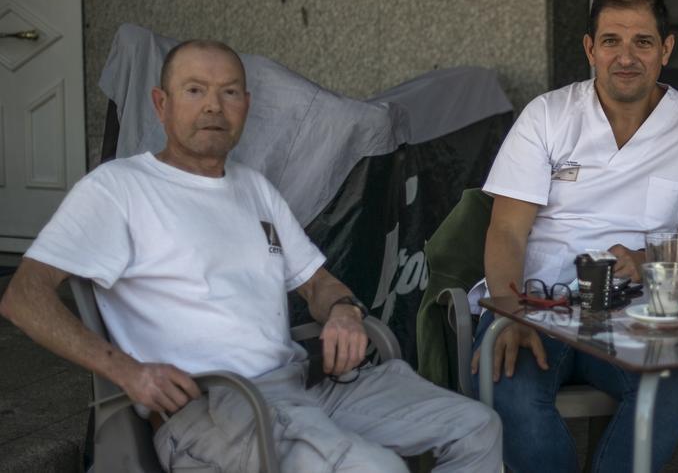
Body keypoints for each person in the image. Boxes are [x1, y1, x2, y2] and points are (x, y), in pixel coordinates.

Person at [0, 40, 501, 471]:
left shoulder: (253, 188)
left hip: (305, 387)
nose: (214, 107)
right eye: (195, 90)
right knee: (373, 468)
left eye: (229, 92)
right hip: (213, 408)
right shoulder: (119, 189)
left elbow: (316, 282)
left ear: (247, 104)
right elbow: (23, 297)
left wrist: (345, 311)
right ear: (161, 104)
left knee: (477, 427)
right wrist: (126, 370)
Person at [471, 0, 678, 472]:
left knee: (671, 386)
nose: (626, 56)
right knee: (512, 393)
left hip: (637, 316)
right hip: (536, 304)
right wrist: (510, 313)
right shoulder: (549, 116)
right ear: (589, 48)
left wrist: (647, 262)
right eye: (611, 41)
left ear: (666, 49)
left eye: (642, 41)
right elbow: (507, 231)